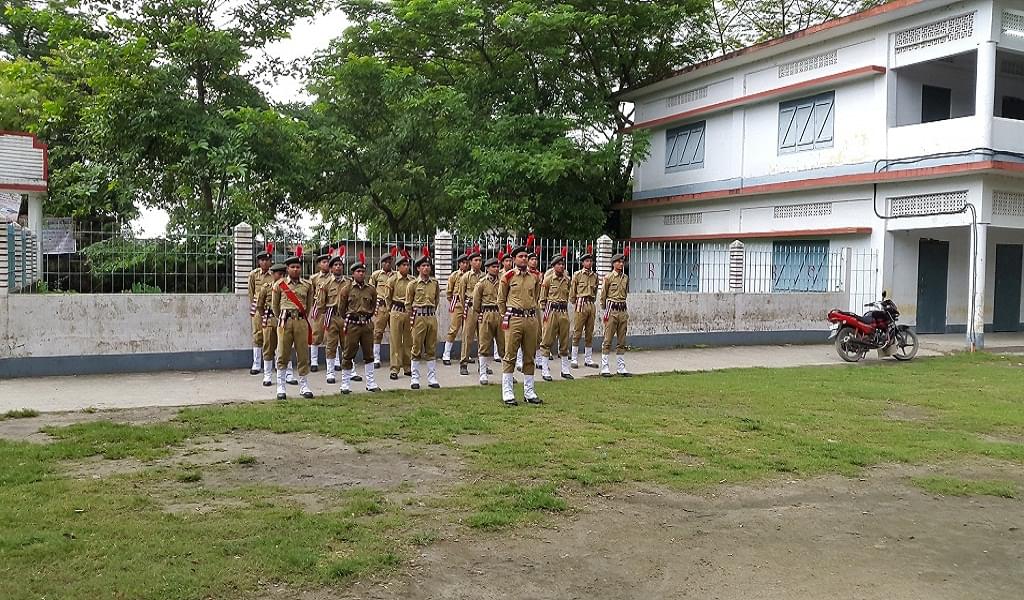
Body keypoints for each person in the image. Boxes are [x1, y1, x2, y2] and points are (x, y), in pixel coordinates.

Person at [498, 244, 542, 406]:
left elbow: (535, 298)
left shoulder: (535, 277)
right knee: (510, 355)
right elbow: (501, 300)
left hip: (530, 319)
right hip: (513, 318)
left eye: (526, 256)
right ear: (514, 259)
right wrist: (507, 315)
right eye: (520, 256)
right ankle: (508, 392)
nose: (524, 259)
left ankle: (529, 391)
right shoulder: (508, 277)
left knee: (530, 355)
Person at [272, 254, 315, 400]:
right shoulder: (279, 285)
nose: (296, 269)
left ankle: (304, 386)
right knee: (283, 353)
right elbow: (275, 307)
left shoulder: (307, 285)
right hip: (285, 321)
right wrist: (284, 317)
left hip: (301, 321)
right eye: (292, 267)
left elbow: (308, 306)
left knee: (303, 354)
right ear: (287, 269)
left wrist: (301, 318)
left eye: (298, 267)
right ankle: (281, 387)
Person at [338, 254, 382, 394]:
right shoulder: (347, 289)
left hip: (367, 325)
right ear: (353, 273)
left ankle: (370, 382)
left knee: (369, 354)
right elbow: (341, 308)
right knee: (348, 353)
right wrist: (350, 319)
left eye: (363, 272)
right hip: (353, 325)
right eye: (358, 272)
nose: (361, 274)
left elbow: (374, 305)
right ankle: (345, 384)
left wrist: (368, 317)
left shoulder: (370, 289)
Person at [540, 250, 574, 382]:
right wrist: (545, 311)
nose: (561, 266)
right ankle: (544, 369)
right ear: (553, 266)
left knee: (564, 340)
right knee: (547, 340)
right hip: (551, 311)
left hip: (563, 311)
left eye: (563, 264)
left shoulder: (567, 280)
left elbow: (568, 295)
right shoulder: (548, 280)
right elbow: (542, 298)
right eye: (558, 264)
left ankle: (565, 370)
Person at [410, 251, 441, 389]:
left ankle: (432, 377)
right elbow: (408, 303)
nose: (426, 268)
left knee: (431, 347)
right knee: (416, 347)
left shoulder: (434, 283)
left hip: (431, 316)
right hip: (419, 317)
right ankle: (415, 378)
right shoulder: (413, 284)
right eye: (423, 265)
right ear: (418, 268)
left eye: (428, 265)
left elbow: (437, 299)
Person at [472, 256, 504, 385]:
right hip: (486, 313)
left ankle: (506, 374)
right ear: (487, 269)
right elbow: (476, 303)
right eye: (493, 267)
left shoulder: (502, 282)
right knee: (484, 344)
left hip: (500, 314)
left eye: (497, 266)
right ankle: (483, 373)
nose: (496, 269)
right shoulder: (481, 283)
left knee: (504, 346)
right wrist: (481, 313)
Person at [599, 249, 631, 377]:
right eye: (618, 262)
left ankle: (621, 366)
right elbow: (603, 295)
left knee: (622, 339)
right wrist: (604, 308)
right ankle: (605, 366)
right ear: (613, 264)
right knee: (608, 339)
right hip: (611, 310)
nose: (621, 264)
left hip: (622, 309)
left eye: (622, 262)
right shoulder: (608, 277)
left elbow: (626, 293)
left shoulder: (625, 278)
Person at [254, 262, 286, 386]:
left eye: (283, 274)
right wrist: (266, 317)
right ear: (273, 274)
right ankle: (267, 375)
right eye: (278, 274)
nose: (281, 277)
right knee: (268, 347)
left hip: (284, 320)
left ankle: (286, 374)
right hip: (270, 320)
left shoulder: (288, 288)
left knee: (285, 347)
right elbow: (259, 306)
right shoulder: (266, 288)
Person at [317, 255, 348, 385]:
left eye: (340, 265)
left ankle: (348, 370)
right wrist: (326, 314)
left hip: (345, 316)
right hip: (332, 316)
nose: (338, 267)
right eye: (335, 265)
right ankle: (330, 372)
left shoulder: (348, 283)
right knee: (331, 345)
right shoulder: (326, 284)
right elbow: (320, 303)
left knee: (347, 344)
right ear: (331, 268)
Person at [385, 253, 415, 380]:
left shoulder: (412, 280)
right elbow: (387, 297)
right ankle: (394, 368)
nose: (406, 267)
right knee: (396, 341)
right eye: (404, 265)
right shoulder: (392, 280)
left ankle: (408, 367)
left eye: (408, 265)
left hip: (408, 312)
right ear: (398, 267)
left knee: (408, 341)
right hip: (396, 311)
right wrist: (390, 311)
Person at [569, 247, 599, 369]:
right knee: (577, 331)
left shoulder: (595, 276)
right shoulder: (577, 275)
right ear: (582, 263)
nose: (589, 263)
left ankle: (588, 358)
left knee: (589, 332)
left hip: (590, 303)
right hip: (580, 303)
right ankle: (574, 358)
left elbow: (596, 290)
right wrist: (574, 302)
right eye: (586, 261)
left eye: (590, 261)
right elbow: (572, 291)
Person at [247, 244, 274, 375]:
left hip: (272, 309)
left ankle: (271, 362)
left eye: (267, 260)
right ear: (258, 261)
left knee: (271, 336)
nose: (264, 262)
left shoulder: (274, 274)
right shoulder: (254, 274)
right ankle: (256, 363)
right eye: (262, 260)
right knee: (257, 334)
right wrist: (255, 307)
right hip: (258, 309)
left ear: (270, 261)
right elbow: (251, 292)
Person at [457, 248, 484, 375]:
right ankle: (464, 363)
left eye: (480, 260)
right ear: (470, 262)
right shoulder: (465, 277)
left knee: (483, 337)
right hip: (471, 308)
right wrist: (467, 307)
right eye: (476, 260)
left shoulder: (484, 276)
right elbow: (461, 295)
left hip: (483, 309)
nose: (478, 263)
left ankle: (482, 364)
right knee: (467, 336)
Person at [369, 252, 395, 368]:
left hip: (393, 306)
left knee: (395, 333)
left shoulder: (396, 275)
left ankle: (394, 358)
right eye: (385, 262)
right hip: (381, 306)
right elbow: (371, 290)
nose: (388, 264)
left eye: (390, 262)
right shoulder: (376, 275)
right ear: (382, 263)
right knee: (378, 332)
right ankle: (376, 358)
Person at [442, 252, 469, 365]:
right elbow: (449, 292)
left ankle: (465, 354)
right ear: (459, 264)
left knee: (467, 331)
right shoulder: (454, 275)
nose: (465, 265)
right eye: (463, 263)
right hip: (457, 303)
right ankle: (446, 354)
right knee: (454, 329)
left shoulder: (469, 275)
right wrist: (454, 302)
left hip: (468, 303)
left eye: (467, 263)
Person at [309, 251, 332, 372]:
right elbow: (311, 294)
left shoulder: (333, 278)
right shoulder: (314, 278)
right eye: (324, 262)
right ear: (319, 265)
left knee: (332, 337)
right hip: (319, 310)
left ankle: (335, 362)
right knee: (316, 336)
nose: (326, 264)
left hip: (331, 310)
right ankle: (314, 361)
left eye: (328, 262)